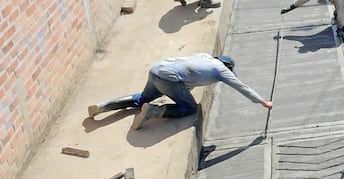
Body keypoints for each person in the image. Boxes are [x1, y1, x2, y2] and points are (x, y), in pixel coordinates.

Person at [87, 53, 272, 130]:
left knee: (141, 98)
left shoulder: (205, 57)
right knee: (190, 108)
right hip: (169, 78)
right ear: (228, 67)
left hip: (156, 69)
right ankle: (154, 111)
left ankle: (103, 106)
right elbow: (242, 87)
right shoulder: (221, 71)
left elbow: (189, 77)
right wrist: (262, 101)